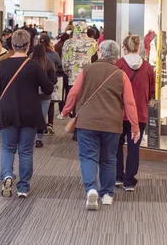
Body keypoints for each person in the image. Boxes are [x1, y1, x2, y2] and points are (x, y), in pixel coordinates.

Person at [62, 40, 140, 210]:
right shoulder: (121, 75)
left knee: (88, 156)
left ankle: (91, 189)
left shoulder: (87, 69)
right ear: (116, 56)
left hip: (87, 123)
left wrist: (66, 111)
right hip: (112, 124)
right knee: (109, 159)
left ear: (101, 52)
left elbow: (74, 92)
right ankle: (107, 194)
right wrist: (135, 126)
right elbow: (129, 102)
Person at [0, 30, 54, 199]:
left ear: (11, 45)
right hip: (30, 111)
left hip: (6, 111)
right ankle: (23, 187)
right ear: (28, 46)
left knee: (7, 148)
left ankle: (7, 175)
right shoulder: (33, 65)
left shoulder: (2, 64)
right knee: (26, 151)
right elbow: (48, 88)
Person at [114, 34, 154, 191]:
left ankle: (118, 176)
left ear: (124, 47)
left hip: (120, 112)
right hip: (140, 114)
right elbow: (151, 91)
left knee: (116, 144)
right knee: (134, 147)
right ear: (139, 48)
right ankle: (129, 181)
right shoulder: (148, 67)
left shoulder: (119, 65)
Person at [62, 22, 97, 139]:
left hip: (73, 77)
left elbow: (65, 63)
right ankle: (83, 128)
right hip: (87, 76)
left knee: (74, 102)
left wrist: (69, 72)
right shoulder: (92, 42)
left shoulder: (68, 43)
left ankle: (75, 127)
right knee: (86, 102)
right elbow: (93, 58)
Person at [29, 44, 57, 148]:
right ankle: (39, 139)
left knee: (31, 117)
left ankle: (29, 138)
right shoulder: (48, 63)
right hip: (45, 95)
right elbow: (53, 80)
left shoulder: (29, 63)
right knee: (41, 117)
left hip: (31, 94)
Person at [40, 35, 63, 135]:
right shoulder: (54, 54)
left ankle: (40, 124)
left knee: (38, 104)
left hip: (36, 84)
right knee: (51, 103)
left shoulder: (33, 55)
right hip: (50, 82)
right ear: (49, 43)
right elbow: (59, 64)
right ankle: (50, 124)